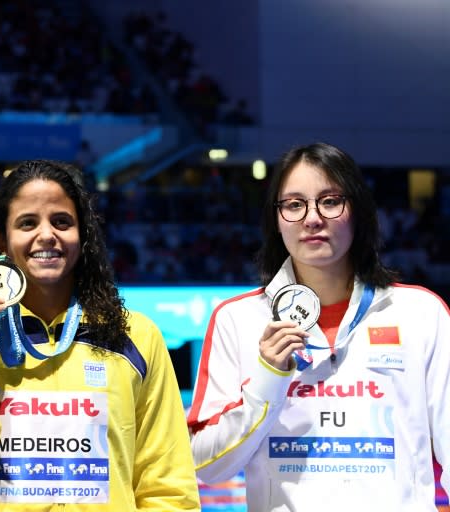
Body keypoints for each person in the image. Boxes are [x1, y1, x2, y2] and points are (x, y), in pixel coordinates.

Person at [0, 159, 200, 511]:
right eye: (28, 223)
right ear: (2, 240)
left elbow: (169, 487)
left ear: (83, 235)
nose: (47, 235)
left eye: (62, 222)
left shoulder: (135, 336)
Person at [188, 142, 450, 510]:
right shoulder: (239, 319)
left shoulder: (420, 313)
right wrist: (268, 378)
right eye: (294, 204)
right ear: (277, 220)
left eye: (330, 201)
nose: (312, 218)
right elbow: (207, 466)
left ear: (357, 212)